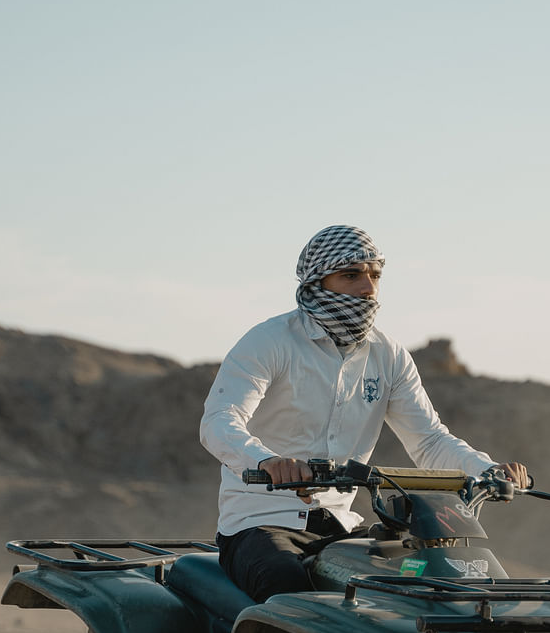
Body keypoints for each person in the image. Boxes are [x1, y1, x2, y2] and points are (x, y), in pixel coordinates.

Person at [200, 225, 528, 602]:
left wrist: (486, 470)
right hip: (260, 525)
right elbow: (218, 421)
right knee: (289, 591)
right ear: (317, 280)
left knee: (415, 587)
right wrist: (269, 461)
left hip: (343, 525)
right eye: (352, 275)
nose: (368, 288)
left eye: (375, 276)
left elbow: (429, 439)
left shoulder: (389, 355)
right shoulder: (270, 340)